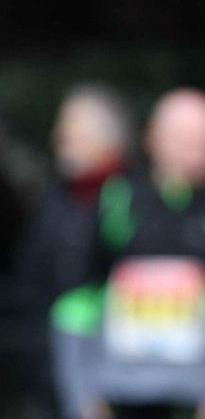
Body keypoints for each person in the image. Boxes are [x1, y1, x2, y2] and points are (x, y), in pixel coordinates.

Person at [50, 88, 205, 419]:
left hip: (200, 401)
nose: (194, 153)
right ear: (152, 137)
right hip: (118, 396)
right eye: (183, 139)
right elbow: (75, 303)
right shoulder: (116, 203)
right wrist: (82, 397)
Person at [15, 84, 135, 415]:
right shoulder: (53, 202)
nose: (58, 137)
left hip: (114, 392)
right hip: (48, 385)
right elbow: (30, 290)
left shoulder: (136, 203)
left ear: (105, 139)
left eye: (69, 129)